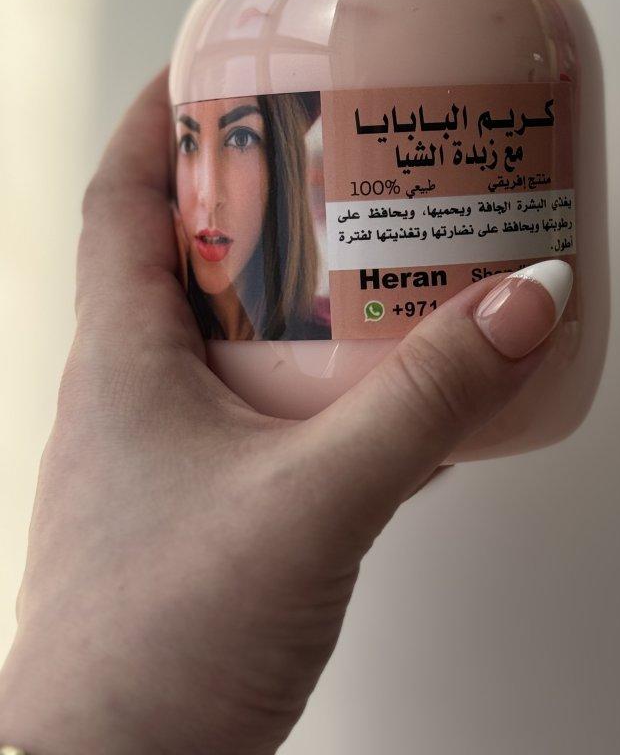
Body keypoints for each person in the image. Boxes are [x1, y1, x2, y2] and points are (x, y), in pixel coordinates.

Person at [0, 68, 572, 754]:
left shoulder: (321, 324)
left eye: (241, 139)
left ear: (288, 167)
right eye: (189, 142)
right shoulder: (232, 361)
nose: (206, 191)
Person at [173, 91, 330, 340]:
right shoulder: (151, 331)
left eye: (241, 139)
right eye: (188, 143)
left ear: (283, 171)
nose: (209, 196)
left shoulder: (336, 335)